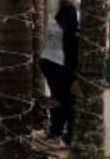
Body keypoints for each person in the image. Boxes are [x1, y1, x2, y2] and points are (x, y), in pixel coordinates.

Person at [39, 0, 79, 149]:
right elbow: (70, 49)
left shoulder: (54, 21)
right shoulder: (69, 25)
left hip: (48, 61)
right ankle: (60, 135)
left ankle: (58, 133)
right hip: (59, 64)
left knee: (58, 98)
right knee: (66, 101)